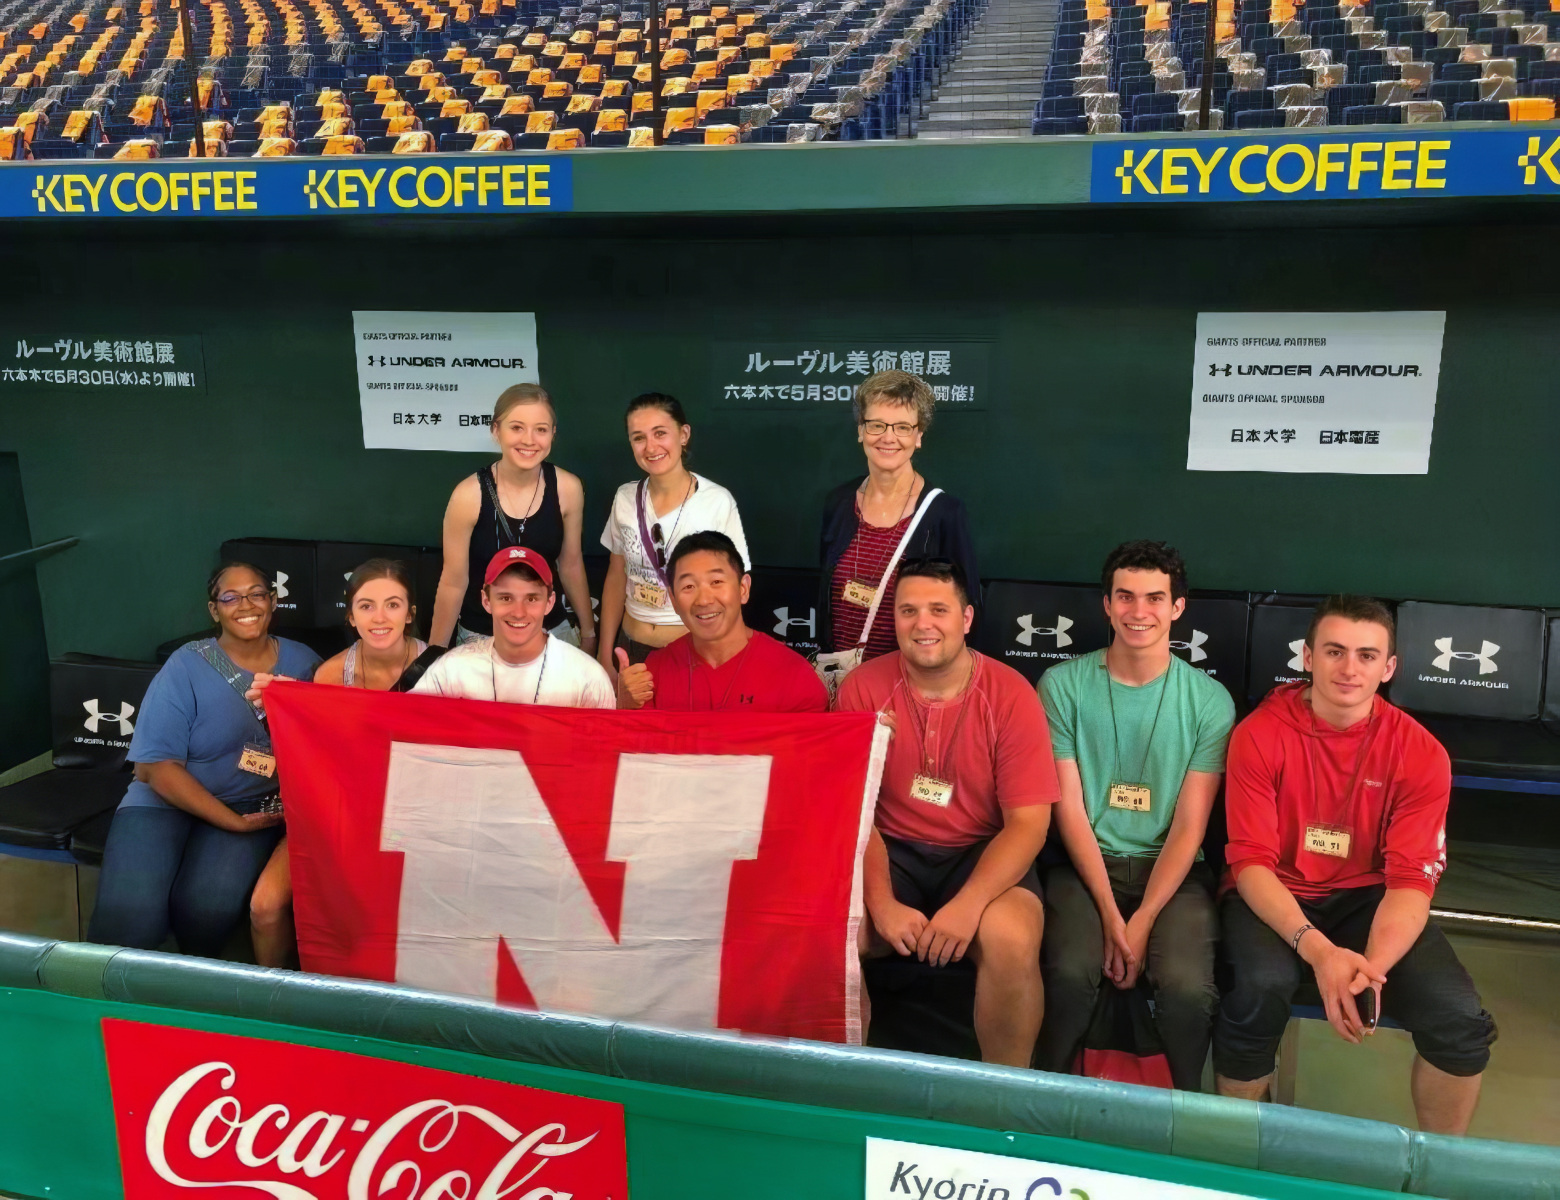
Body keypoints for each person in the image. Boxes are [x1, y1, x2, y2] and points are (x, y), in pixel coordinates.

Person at [1214, 595, 1496, 1134]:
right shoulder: (1260, 733)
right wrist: (1320, 953)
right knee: (1257, 993)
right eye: (1335, 651)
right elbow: (1250, 863)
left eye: (1367, 656)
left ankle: (1439, 1164)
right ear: (1306, 657)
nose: (1349, 668)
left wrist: (1372, 970)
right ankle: (1235, 1146)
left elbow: (1411, 882)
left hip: (1367, 898)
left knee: (1460, 1021)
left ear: (1389, 668)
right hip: (1272, 893)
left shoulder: (1420, 752)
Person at [835, 559, 1058, 1068]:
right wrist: (882, 903)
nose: (923, 624)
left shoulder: (1010, 694)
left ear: (967, 619)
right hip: (888, 849)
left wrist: (968, 905)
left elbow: (1029, 823)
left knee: (1010, 937)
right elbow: (853, 814)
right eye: (908, 610)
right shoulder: (861, 689)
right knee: (837, 929)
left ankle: (1003, 1099)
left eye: (939, 609)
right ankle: (845, 1090)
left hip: (980, 851)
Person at [1034, 541, 1234, 1091]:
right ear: (1106, 604)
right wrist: (1108, 910)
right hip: (1084, 865)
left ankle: (1185, 1111)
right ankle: (1046, 1101)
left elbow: (1191, 825)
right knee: (1071, 974)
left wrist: (1140, 921)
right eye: (1125, 596)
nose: (1138, 611)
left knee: (1187, 987)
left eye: (1154, 598)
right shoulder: (1061, 687)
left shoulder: (1210, 701)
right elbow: (1068, 810)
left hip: (1172, 872)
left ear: (1177, 608)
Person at [87, 564, 321, 957]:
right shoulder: (186, 664)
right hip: (164, 801)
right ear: (214, 610)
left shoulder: (306, 664)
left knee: (206, 911)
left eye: (257, 594)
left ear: (273, 601)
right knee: (129, 917)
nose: (245, 605)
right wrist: (231, 822)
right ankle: (111, 1002)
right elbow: (153, 767)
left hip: (251, 805)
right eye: (230, 597)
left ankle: (181, 987)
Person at [246, 558, 428, 968]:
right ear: (350, 615)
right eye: (366, 606)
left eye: (393, 604)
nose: (379, 617)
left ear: (410, 614)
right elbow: (315, 759)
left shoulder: (444, 669)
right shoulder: (331, 673)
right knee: (265, 906)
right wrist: (289, 705)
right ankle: (274, 1010)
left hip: (413, 821)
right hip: (340, 814)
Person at [818, 370, 979, 664]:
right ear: (860, 430)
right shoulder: (839, 502)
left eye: (903, 427)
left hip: (907, 681)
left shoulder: (944, 512)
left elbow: (965, 609)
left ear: (918, 436)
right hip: (842, 680)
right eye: (877, 424)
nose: (888, 437)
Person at [429, 383, 596, 653]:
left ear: (553, 433)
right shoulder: (467, 495)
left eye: (540, 429)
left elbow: (571, 565)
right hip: (482, 634)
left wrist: (588, 634)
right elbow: (453, 582)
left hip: (549, 630)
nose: (529, 440)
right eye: (516, 427)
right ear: (496, 430)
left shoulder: (568, 488)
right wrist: (434, 653)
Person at [597, 392, 749, 675]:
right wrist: (605, 653)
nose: (650, 447)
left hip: (692, 652)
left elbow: (731, 587)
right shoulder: (625, 497)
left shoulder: (716, 501)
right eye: (638, 437)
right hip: (631, 647)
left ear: (683, 434)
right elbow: (616, 575)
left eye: (660, 433)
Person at [615, 531, 828, 713]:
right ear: (673, 600)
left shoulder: (795, 677)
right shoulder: (655, 672)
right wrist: (625, 706)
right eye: (688, 586)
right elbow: (636, 752)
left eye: (716, 582)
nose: (704, 600)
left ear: (743, 589)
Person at [415, 546, 614, 708]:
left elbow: (606, 748)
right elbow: (410, 730)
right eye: (506, 598)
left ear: (549, 603)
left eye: (532, 598)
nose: (518, 612)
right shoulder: (451, 669)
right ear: (486, 601)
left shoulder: (587, 676)